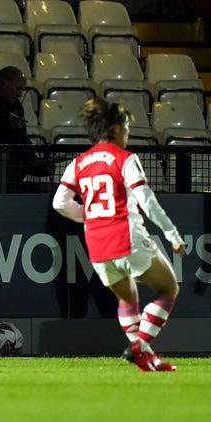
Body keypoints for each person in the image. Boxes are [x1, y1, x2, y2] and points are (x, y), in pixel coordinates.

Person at [52, 97, 186, 372]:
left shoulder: (78, 163)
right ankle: (139, 347)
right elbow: (147, 202)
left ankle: (144, 360)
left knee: (127, 298)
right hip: (126, 235)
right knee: (168, 288)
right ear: (113, 129)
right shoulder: (125, 159)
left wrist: (89, 215)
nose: (128, 133)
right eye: (125, 127)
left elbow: (60, 203)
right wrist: (172, 234)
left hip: (96, 243)